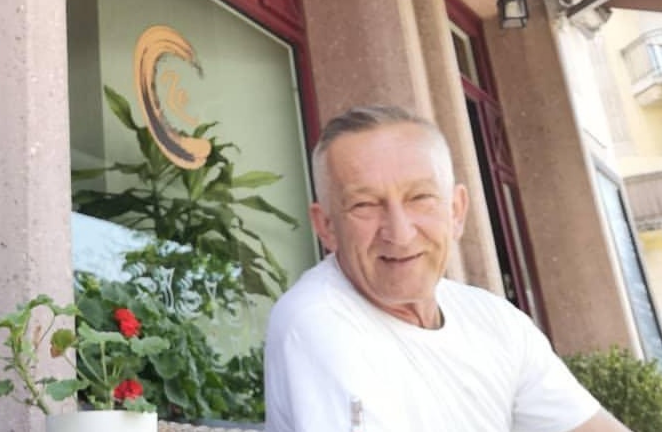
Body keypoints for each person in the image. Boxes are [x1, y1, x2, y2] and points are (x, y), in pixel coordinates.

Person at [264, 105, 630, 432]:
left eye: (420, 197)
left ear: (456, 210)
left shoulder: (496, 320)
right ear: (326, 225)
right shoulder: (317, 321)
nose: (400, 233)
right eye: (364, 204)